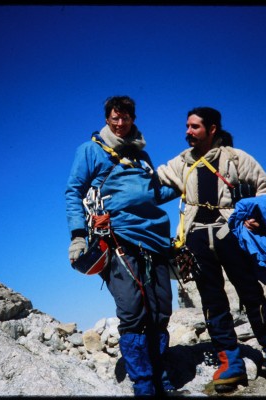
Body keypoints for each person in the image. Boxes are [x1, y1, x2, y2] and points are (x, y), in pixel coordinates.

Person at [156, 107, 266, 393]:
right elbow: (153, 179)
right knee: (212, 302)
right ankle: (229, 362)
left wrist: (257, 215)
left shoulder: (236, 158)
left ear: (212, 129)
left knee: (251, 294)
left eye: (195, 127)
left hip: (231, 234)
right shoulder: (182, 162)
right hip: (196, 237)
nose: (188, 132)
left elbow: (264, 187)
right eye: (187, 126)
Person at [65, 96, 180, 396]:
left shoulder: (143, 156)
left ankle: (162, 380)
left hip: (154, 238)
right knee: (132, 311)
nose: (120, 123)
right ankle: (144, 386)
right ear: (107, 118)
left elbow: (152, 193)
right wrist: (78, 235)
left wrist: (187, 180)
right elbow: (73, 191)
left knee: (160, 311)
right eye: (115, 118)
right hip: (117, 238)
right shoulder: (90, 150)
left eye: (125, 117)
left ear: (132, 118)